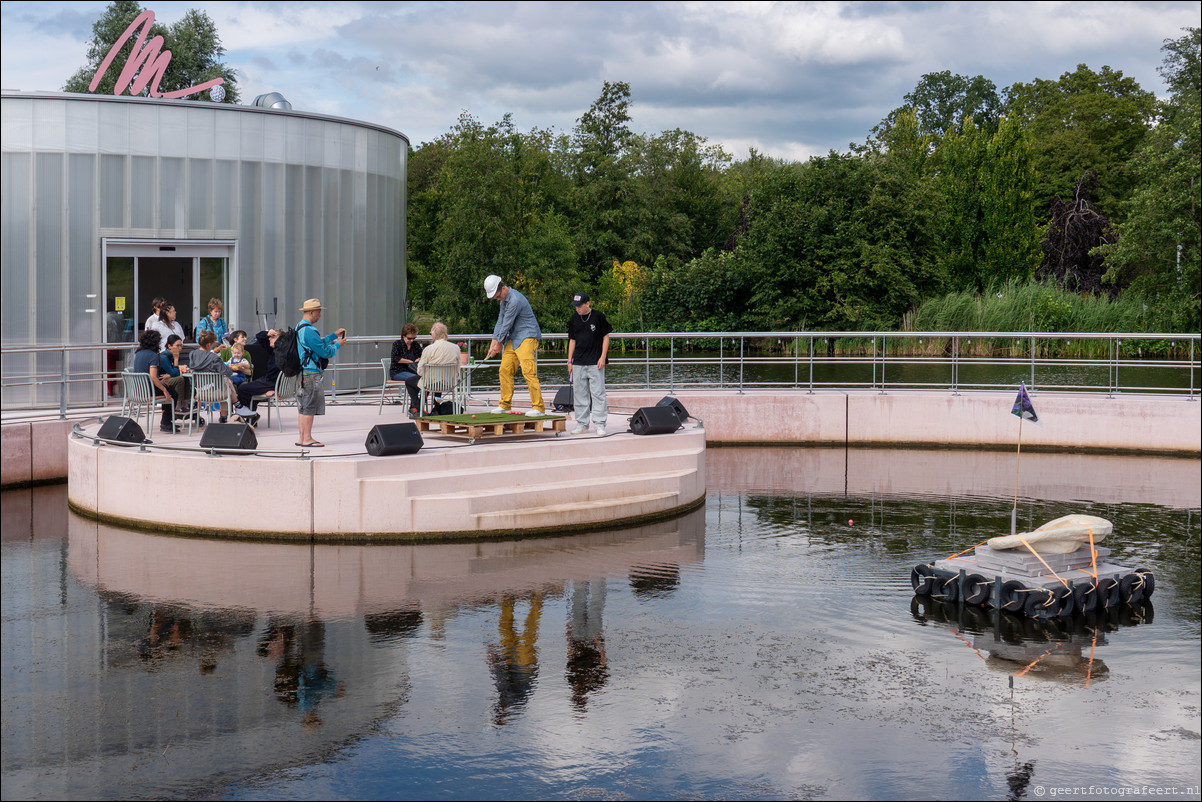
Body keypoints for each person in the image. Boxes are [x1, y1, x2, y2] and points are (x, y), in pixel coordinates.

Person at [483, 275, 544, 416]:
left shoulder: (514, 300)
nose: (497, 299)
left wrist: (498, 344)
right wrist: (493, 342)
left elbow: (507, 324)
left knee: (528, 371)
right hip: (515, 338)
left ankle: (538, 407)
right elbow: (500, 321)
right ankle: (505, 405)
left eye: (498, 296)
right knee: (504, 369)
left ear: (503, 288)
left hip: (528, 336)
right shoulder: (503, 301)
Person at [294, 298, 346, 448]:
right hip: (311, 374)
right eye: (318, 312)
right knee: (309, 406)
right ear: (311, 312)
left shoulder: (300, 327)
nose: (320, 315)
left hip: (302, 372)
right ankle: (308, 438)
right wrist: (337, 345)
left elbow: (316, 344)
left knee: (303, 407)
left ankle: (301, 438)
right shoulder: (310, 330)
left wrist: (332, 336)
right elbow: (324, 351)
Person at [566, 291, 613, 436]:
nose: (577, 309)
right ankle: (582, 424)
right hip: (579, 361)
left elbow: (606, 337)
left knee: (598, 394)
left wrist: (603, 356)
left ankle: (599, 424)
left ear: (588, 303)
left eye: (580, 306)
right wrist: (569, 361)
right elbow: (572, 340)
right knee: (580, 394)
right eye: (576, 306)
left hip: (595, 361)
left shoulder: (598, 316)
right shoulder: (574, 318)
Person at [131, 329, 180, 433]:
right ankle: (166, 423)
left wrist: (161, 384)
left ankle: (166, 421)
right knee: (173, 393)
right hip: (148, 391)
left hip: (138, 390)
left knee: (168, 388)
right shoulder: (153, 356)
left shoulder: (138, 354)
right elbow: (153, 377)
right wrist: (164, 390)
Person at [188, 330, 238, 423]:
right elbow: (227, 372)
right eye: (213, 345)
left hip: (200, 393)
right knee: (227, 383)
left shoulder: (192, 354)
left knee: (226, 382)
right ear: (208, 345)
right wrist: (230, 368)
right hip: (216, 393)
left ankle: (236, 405)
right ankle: (228, 413)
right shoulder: (214, 358)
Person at [416, 321, 462, 413]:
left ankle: (417, 408)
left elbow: (419, 371)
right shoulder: (455, 348)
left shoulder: (428, 349)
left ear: (434, 335)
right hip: (448, 383)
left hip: (430, 384)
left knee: (411, 382)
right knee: (439, 381)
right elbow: (458, 368)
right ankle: (436, 407)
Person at [232, 329, 276, 423]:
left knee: (243, 388)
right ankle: (251, 417)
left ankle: (247, 416)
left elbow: (250, 372)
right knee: (242, 388)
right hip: (268, 381)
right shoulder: (275, 350)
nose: (270, 339)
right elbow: (259, 336)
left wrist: (276, 389)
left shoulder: (279, 354)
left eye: (272, 338)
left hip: (269, 382)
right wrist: (268, 333)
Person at [389, 323, 423, 415]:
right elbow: (396, 358)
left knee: (420, 379)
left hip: (412, 371)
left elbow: (422, 355)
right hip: (398, 371)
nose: (411, 340)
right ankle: (416, 404)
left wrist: (418, 359)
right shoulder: (397, 344)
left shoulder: (415, 345)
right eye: (409, 338)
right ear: (403, 336)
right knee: (416, 380)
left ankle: (415, 405)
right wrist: (411, 361)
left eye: (413, 338)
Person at [158, 333, 194, 414]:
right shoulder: (164, 357)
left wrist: (170, 374)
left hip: (168, 379)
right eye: (177, 346)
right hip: (160, 382)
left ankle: (185, 403)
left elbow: (174, 372)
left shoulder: (170, 355)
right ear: (169, 346)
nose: (179, 348)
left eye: (181, 346)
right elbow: (175, 373)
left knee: (185, 378)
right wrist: (176, 359)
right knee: (180, 379)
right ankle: (177, 404)